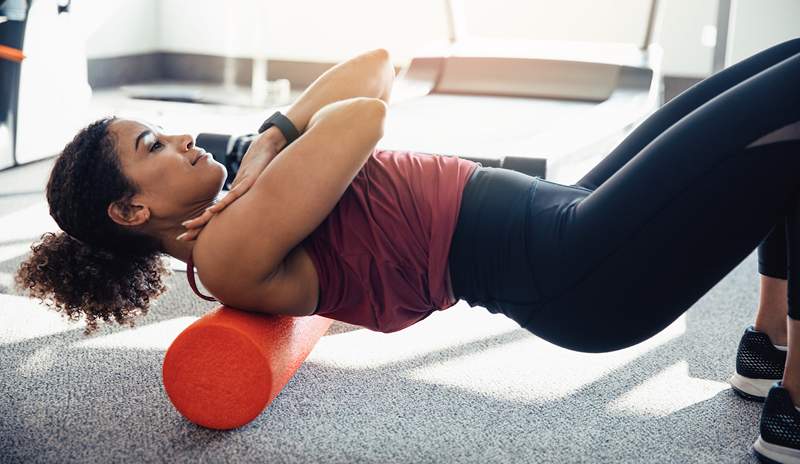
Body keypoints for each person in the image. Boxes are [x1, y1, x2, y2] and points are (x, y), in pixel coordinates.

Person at [13, 40, 800, 462]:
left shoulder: (240, 196)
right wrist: (267, 150)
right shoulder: (225, 251)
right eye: (153, 142)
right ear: (132, 207)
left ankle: (768, 346)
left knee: (775, 73)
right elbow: (361, 116)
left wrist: (268, 141)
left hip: (569, 212)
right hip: (578, 266)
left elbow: (376, 62)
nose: (181, 135)